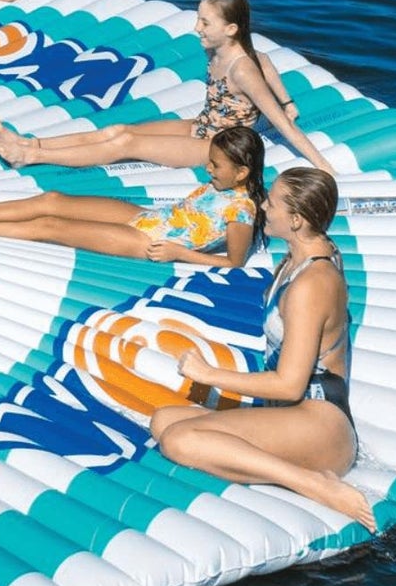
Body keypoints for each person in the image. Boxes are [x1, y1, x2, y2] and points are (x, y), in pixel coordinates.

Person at [149, 168, 375, 531]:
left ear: (297, 220)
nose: (263, 207)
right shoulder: (300, 257)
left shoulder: (312, 284)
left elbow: (289, 385)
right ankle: (293, 470)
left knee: (179, 440)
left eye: (271, 202)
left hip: (320, 426)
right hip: (292, 416)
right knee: (163, 421)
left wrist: (210, 375)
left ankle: (314, 483)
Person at [0, 0, 333, 175]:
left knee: (125, 144)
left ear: (231, 29)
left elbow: (281, 124)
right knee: (118, 130)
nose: (197, 28)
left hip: (221, 147)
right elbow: (266, 62)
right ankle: (30, 143)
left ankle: (30, 157)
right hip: (202, 126)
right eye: (198, 19)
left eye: (205, 23)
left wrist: (325, 167)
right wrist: (289, 101)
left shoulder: (242, 69)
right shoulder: (224, 50)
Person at [0, 125, 265, 267]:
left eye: (216, 166)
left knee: (51, 225)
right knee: (52, 200)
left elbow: (234, 262)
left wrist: (179, 254)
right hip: (148, 217)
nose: (208, 169)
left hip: (148, 241)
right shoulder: (225, 184)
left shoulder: (242, 211)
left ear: (242, 172)